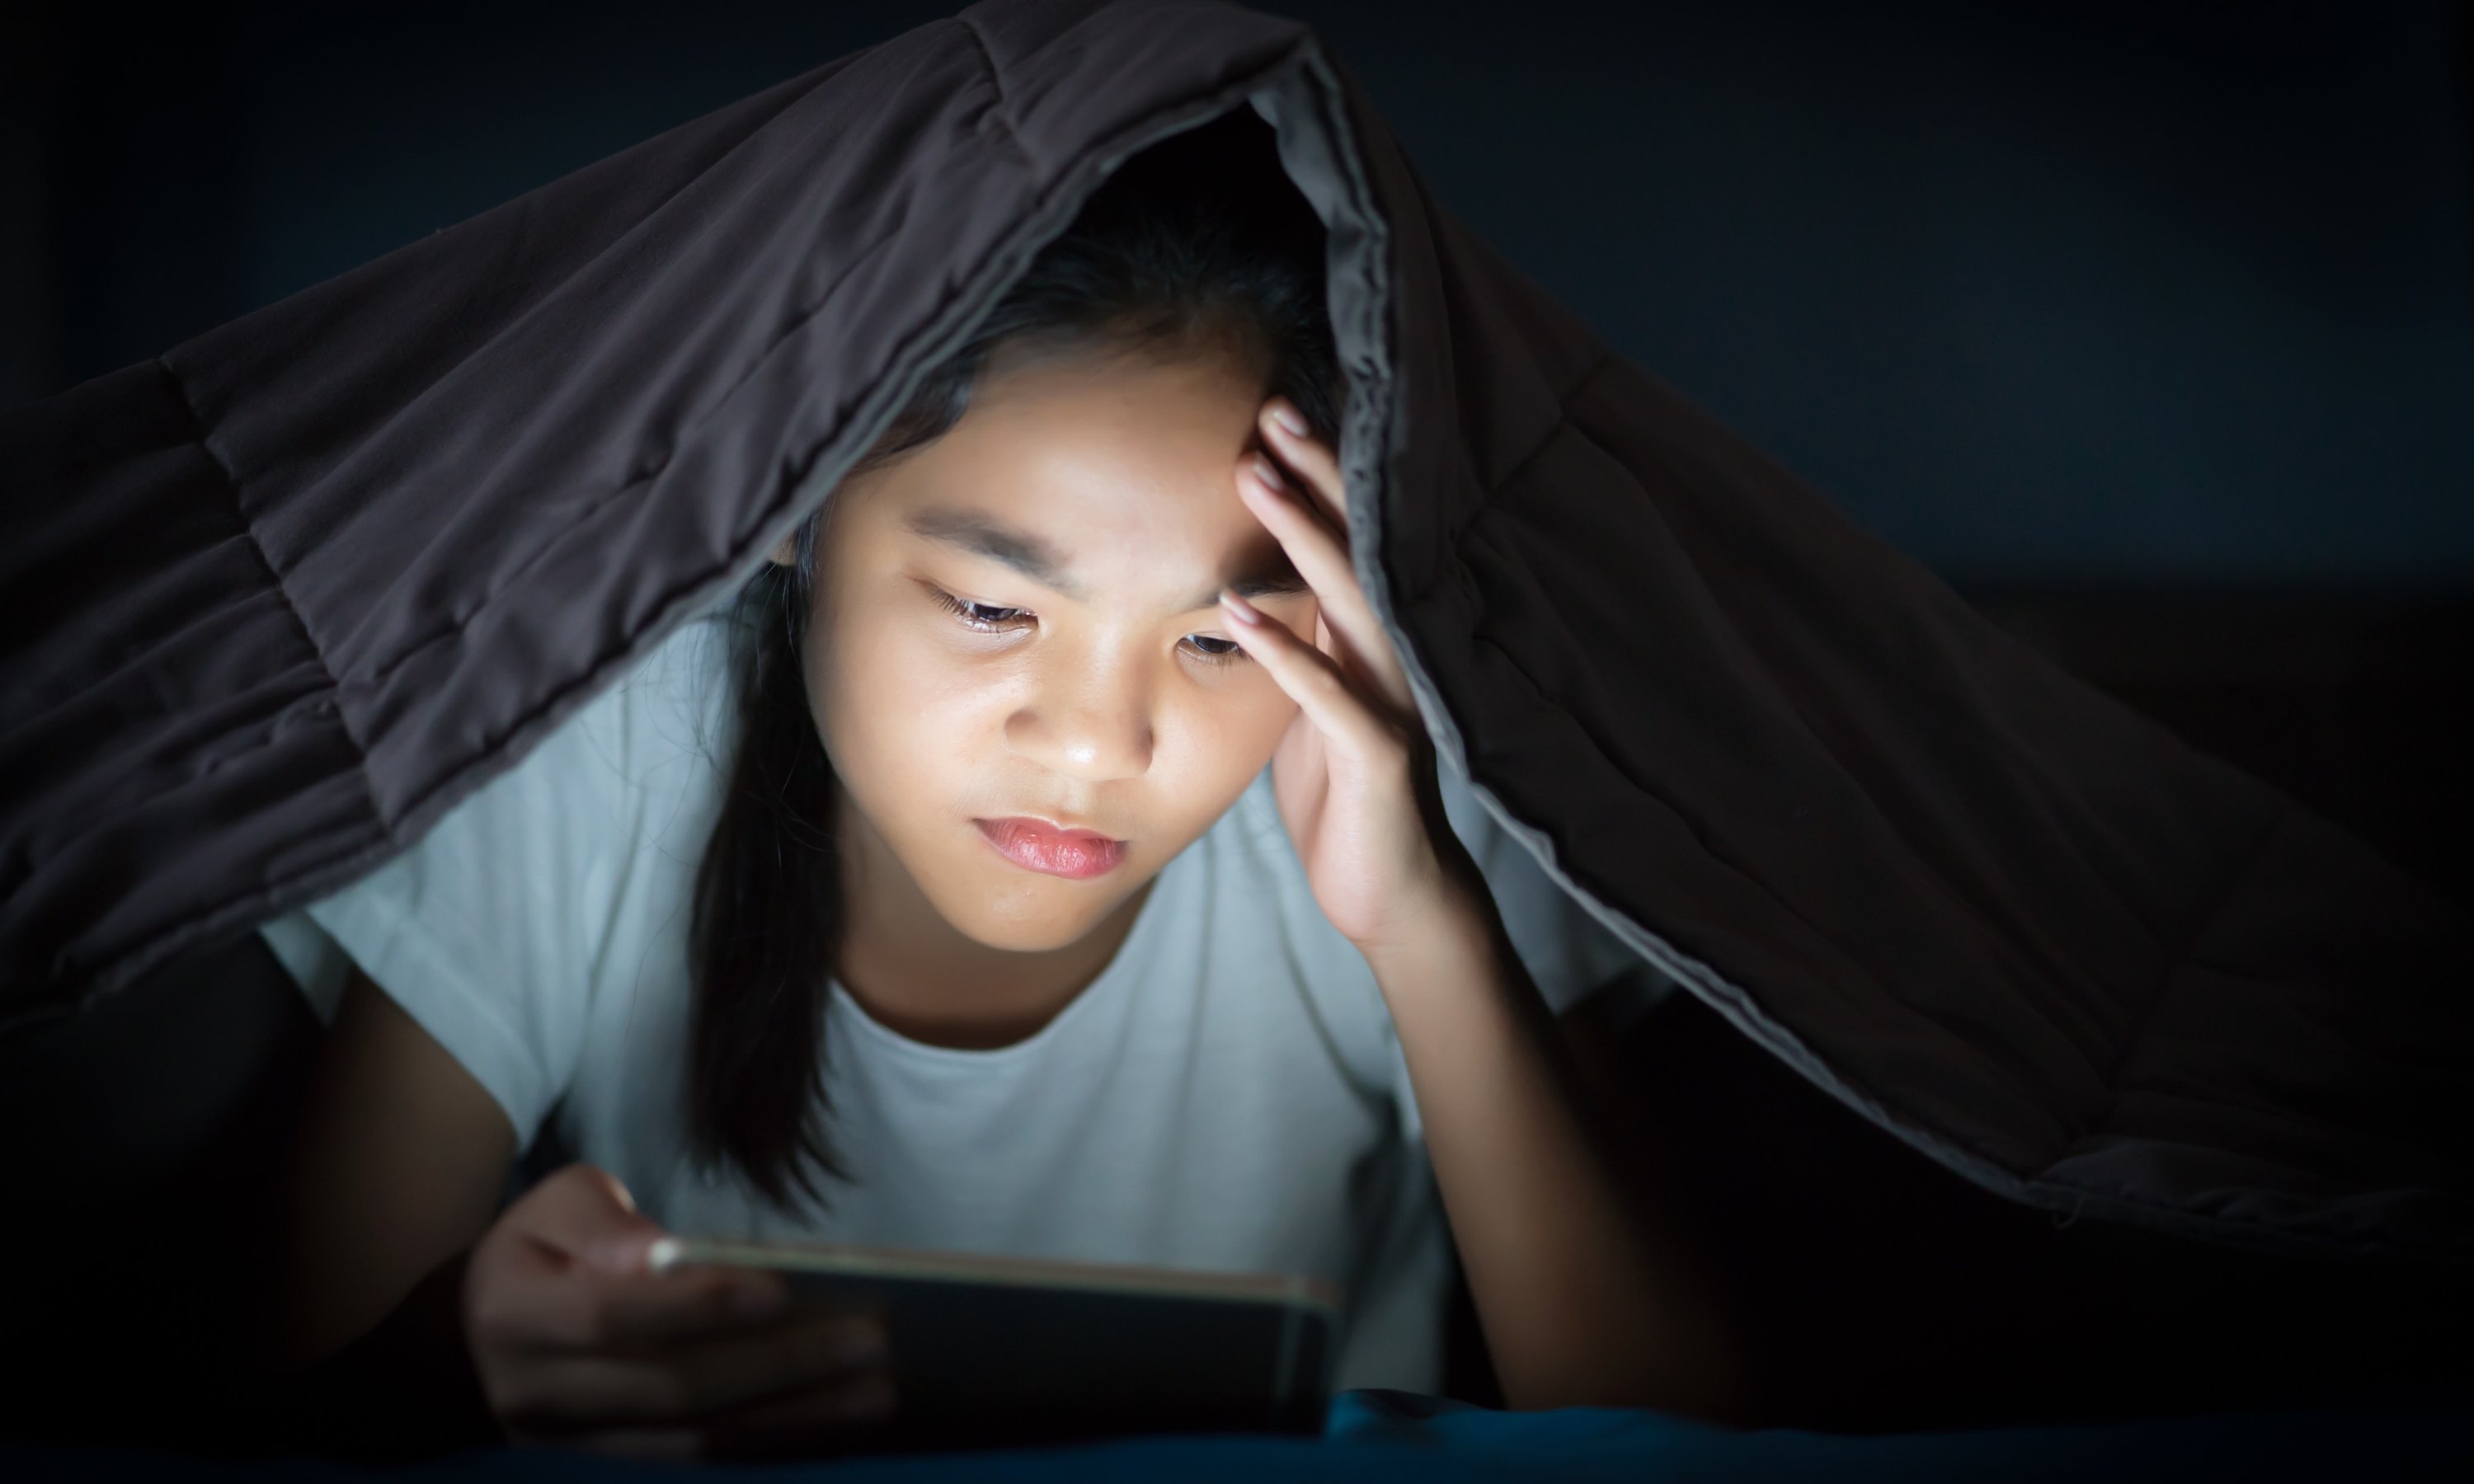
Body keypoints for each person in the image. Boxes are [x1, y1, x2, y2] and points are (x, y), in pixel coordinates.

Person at [256, 115, 1747, 1459]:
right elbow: (265, 1383)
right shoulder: (603, 746)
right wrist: (465, 1351)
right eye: (990, 608)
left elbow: (1686, 1440)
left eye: (1224, 635)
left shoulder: (1367, 767)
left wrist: (1421, 921)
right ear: (788, 506)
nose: (1101, 744)